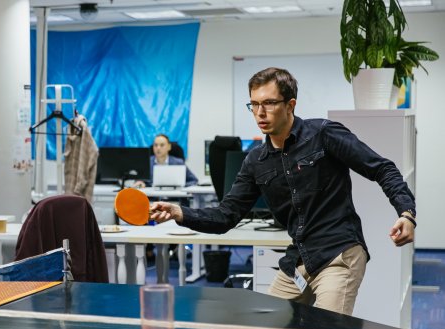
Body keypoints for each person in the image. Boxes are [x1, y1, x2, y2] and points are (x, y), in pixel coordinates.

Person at [149, 67, 416, 315]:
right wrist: (178, 212)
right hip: (298, 260)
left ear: (290, 105)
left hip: (339, 254)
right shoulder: (255, 161)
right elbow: (225, 216)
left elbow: (382, 168)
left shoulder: (323, 134)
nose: (260, 112)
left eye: (269, 103)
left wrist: (406, 213)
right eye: (254, 104)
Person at [133, 134, 198, 188]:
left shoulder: (178, 163)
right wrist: (140, 183)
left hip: (174, 197)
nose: (158, 148)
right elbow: (138, 181)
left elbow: (194, 180)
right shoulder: (147, 162)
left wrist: (181, 186)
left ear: (169, 147)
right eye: (155, 145)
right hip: (153, 197)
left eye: (162, 145)